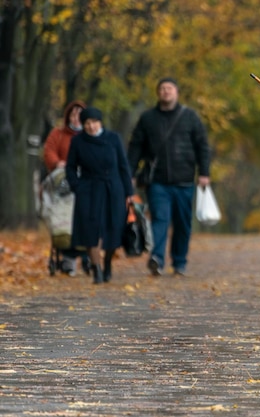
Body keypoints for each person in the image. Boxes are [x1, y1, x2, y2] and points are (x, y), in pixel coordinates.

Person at [127, 77, 210, 276]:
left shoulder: (190, 117)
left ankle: (179, 262)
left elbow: (202, 146)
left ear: (177, 92)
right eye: (162, 89)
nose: (166, 92)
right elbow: (135, 147)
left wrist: (204, 173)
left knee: (183, 223)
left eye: (169, 88)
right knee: (159, 219)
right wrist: (130, 173)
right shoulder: (147, 118)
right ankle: (157, 258)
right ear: (158, 93)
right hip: (157, 181)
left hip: (185, 180)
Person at [65, 107, 134, 284]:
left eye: (94, 122)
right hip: (88, 189)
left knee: (113, 227)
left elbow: (123, 166)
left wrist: (129, 192)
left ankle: (108, 263)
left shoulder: (113, 138)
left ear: (100, 122)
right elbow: (70, 167)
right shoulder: (78, 142)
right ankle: (96, 269)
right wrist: (77, 186)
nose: (91, 126)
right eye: (87, 123)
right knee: (90, 229)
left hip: (113, 188)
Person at [42, 100, 90, 276]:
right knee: (65, 220)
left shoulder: (90, 135)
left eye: (80, 114)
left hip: (84, 184)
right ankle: (68, 258)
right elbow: (49, 151)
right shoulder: (58, 134)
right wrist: (57, 163)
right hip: (63, 185)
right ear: (68, 116)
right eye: (73, 114)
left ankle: (87, 256)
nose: (76, 118)